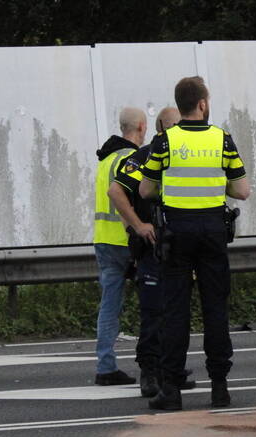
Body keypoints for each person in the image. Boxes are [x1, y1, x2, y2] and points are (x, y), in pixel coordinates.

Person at [140, 77, 250, 410]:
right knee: (215, 309)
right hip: (213, 231)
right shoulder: (222, 139)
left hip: (176, 233)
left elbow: (145, 190)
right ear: (202, 104)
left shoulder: (164, 141)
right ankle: (220, 387)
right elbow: (242, 190)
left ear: (181, 104)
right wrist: (216, 185)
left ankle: (171, 389)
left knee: (175, 311)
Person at [108, 106, 189, 398]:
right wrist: (139, 225)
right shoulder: (143, 157)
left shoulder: (184, 155)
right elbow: (116, 191)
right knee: (153, 312)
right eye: (178, 126)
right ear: (164, 128)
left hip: (180, 247)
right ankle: (150, 371)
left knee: (176, 313)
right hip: (153, 249)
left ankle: (171, 371)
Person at [92, 107, 147, 386]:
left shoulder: (106, 159)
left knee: (110, 305)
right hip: (126, 240)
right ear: (141, 127)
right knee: (152, 302)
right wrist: (137, 229)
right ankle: (152, 364)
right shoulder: (130, 159)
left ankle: (105, 366)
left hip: (103, 239)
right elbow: (127, 198)